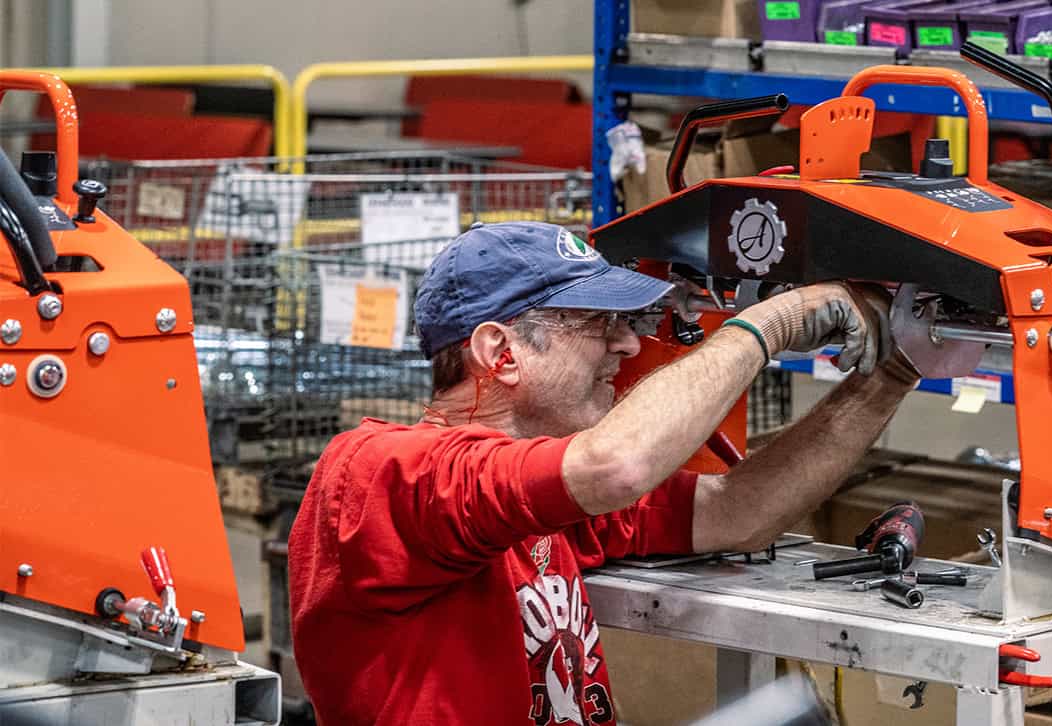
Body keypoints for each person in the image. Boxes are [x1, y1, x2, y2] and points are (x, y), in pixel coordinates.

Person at [287, 221, 920, 725]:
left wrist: (897, 369)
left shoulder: (546, 498)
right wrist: (767, 326)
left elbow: (738, 511)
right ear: (499, 352)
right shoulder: (386, 474)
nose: (625, 346)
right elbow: (617, 464)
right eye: (598, 325)